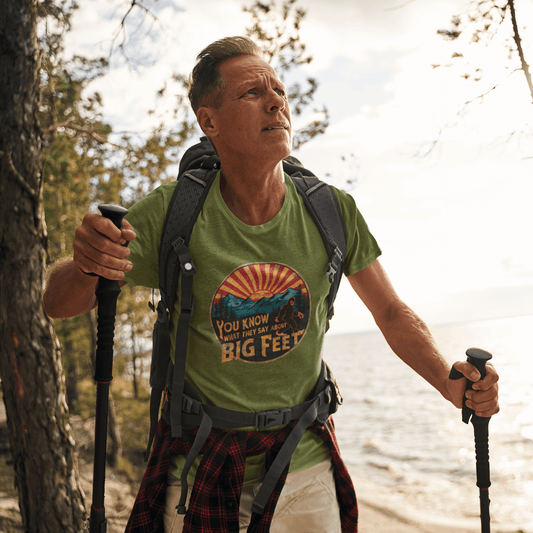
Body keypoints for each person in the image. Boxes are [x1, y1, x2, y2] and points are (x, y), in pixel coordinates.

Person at [43, 36, 500, 533]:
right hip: (200, 465)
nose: (276, 101)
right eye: (252, 93)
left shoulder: (330, 210)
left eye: (278, 89)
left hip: (305, 463)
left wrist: (449, 384)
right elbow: (59, 303)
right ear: (209, 121)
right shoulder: (176, 212)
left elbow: (390, 312)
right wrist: (86, 263)